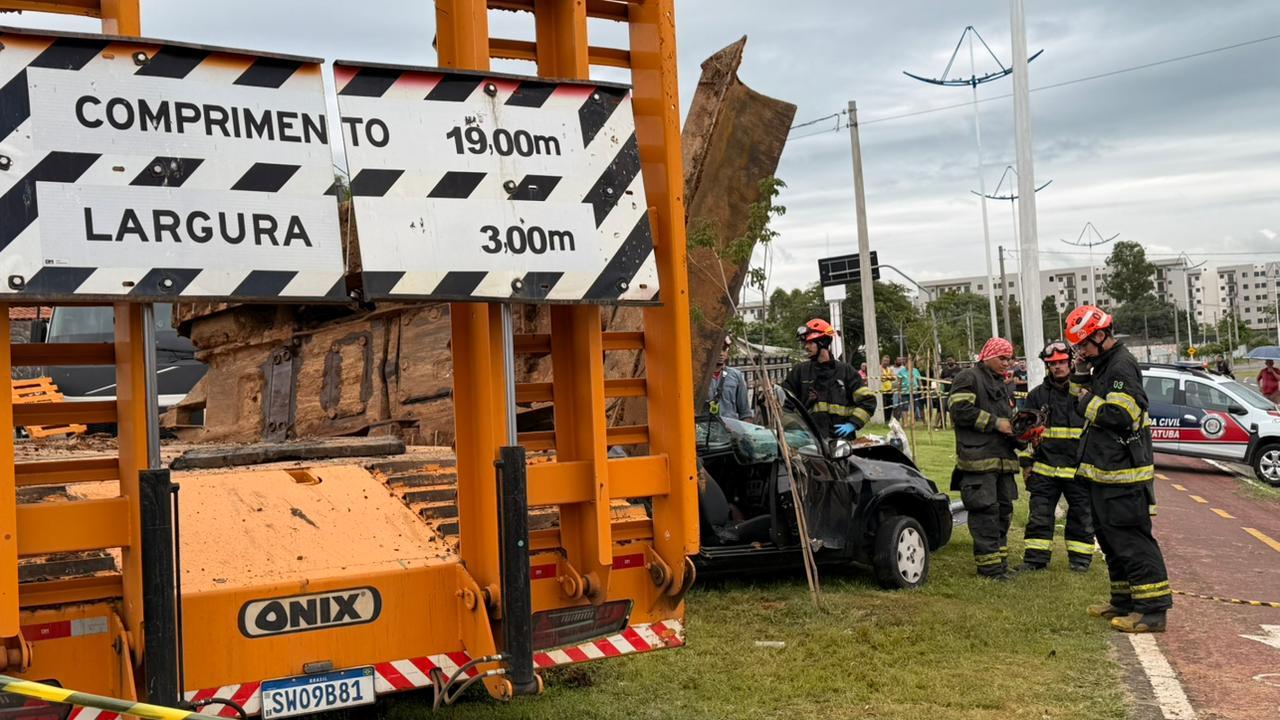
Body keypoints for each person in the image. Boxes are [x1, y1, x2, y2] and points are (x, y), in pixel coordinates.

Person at [1065, 304, 1171, 633]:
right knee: (1110, 540)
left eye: (1083, 344)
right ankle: (1124, 601)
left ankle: (1152, 611)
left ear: (1100, 334)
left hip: (1124, 476)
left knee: (1131, 540)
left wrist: (1086, 402)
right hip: (1104, 471)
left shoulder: (1121, 366)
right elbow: (1078, 397)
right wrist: (1080, 373)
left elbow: (1121, 416)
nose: (1080, 351)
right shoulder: (1103, 365)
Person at [1017, 341, 1093, 572]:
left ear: (1070, 363)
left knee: (1081, 517)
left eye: (1061, 362)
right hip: (1044, 469)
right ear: (1047, 366)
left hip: (1078, 470)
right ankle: (1035, 561)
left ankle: (1080, 562)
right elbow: (1025, 435)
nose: (1058, 367)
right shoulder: (1037, 396)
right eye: (1053, 364)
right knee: (1039, 516)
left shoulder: (1086, 393)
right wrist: (1027, 464)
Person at [949, 337, 1021, 580]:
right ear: (987, 355)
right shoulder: (968, 377)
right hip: (978, 462)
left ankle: (1000, 565)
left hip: (1002, 462)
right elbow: (960, 411)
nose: (1007, 363)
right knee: (986, 513)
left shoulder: (1001, 384)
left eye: (1009, 358)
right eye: (1002, 358)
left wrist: (1021, 434)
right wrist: (996, 423)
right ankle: (989, 568)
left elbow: (1007, 424)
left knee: (1004, 512)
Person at [783, 319, 877, 440]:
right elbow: (784, 406)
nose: (806, 347)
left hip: (842, 444)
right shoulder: (799, 372)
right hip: (811, 444)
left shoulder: (846, 371)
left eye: (810, 343)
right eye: (805, 343)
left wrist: (853, 423)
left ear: (822, 342)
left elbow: (868, 401)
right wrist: (794, 429)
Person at [706, 337, 752, 421]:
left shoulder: (735, 375)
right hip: (705, 429)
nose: (721, 354)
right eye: (717, 349)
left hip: (729, 429)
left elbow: (745, 413)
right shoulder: (700, 378)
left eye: (724, 350)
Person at [879, 356, 895, 423]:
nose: (886, 362)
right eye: (884, 361)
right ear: (881, 361)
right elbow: (882, 377)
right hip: (882, 390)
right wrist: (889, 377)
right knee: (884, 405)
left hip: (890, 390)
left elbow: (894, 377)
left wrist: (887, 377)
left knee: (890, 405)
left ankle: (888, 420)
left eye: (887, 361)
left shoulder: (889, 369)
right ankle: (884, 419)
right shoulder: (879, 368)